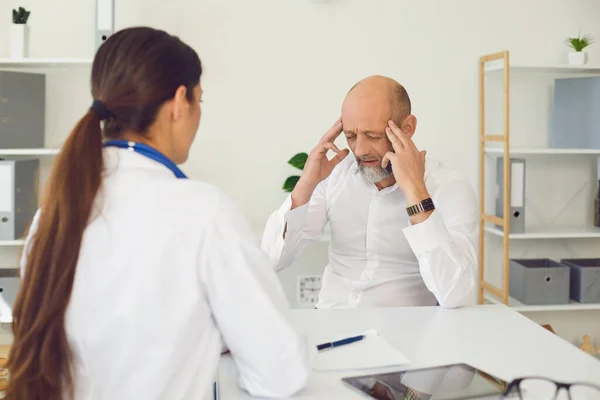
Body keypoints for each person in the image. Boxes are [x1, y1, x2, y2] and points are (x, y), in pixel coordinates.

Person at [7, 27, 311, 400]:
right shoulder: (203, 211)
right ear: (180, 102)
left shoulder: (52, 214)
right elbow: (280, 375)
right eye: (200, 101)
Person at [262, 75, 477, 309]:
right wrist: (306, 183)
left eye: (373, 136)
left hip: (408, 331)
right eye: (351, 137)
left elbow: (454, 294)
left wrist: (416, 191)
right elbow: (271, 259)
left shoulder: (448, 186)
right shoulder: (334, 174)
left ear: (407, 128)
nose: (361, 150)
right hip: (332, 319)